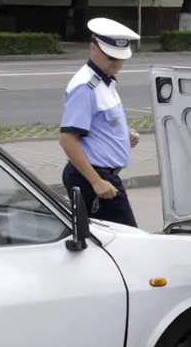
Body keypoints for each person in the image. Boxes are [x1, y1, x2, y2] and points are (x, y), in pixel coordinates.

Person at [58, 18, 141, 227]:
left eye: (121, 58)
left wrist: (123, 135)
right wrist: (96, 181)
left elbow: (99, 123)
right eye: (111, 57)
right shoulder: (86, 87)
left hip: (102, 178)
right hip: (95, 179)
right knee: (127, 238)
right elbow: (67, 139)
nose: (117, 63)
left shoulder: (104, 79)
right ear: (93, 47)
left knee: (105, 240)